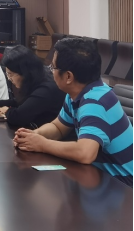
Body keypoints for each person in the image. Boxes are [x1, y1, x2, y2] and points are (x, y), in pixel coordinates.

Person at [14, 38, 133, 186]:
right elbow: (58, 127)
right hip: (101, 178)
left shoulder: (94, 102)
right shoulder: (77, 94)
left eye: (53, 67)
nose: (51, 71)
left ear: (68, 77)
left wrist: (42, 144)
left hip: (124, 186)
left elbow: (85, 153)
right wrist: (33, 136)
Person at [0, 45, 65, 128]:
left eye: (11, 74)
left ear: (24, 73)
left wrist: (7, 111)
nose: (9, 78)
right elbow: (17, 102)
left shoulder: (45, 89)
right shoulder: (36, 80)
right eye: (7, 74)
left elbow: (18, 117)